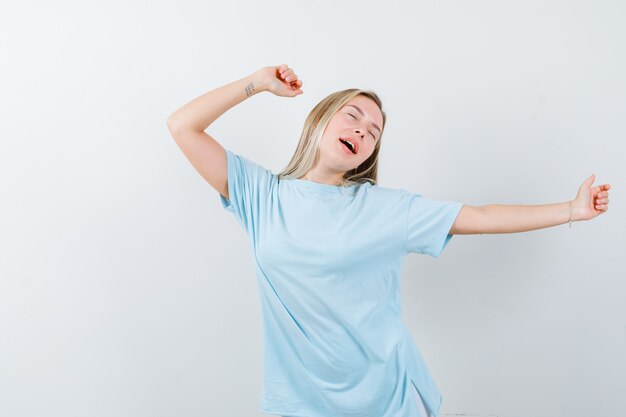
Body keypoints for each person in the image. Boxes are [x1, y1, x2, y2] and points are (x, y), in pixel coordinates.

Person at [166, 64, 611, 417]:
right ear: (320, 120)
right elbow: (182, 126)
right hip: (302, 403)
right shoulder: (261, 195)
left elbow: (481, 215)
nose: (362, 130)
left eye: (374, 131)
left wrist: (572, 210)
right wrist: (258, 83)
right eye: (353, 117)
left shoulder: (384, 208)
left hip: (389, 400)